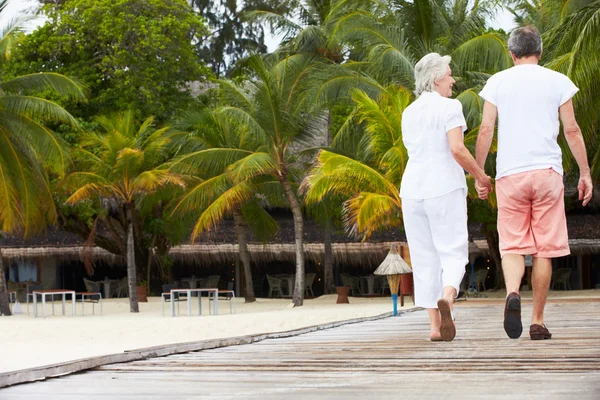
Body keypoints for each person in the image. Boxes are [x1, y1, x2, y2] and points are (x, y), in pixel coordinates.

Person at [475, 26, 593, 340]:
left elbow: (486, 130)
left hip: (510, 174)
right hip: (547, 173)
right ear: (539, 52)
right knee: (544, 249)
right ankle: (538, 321)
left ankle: (513, 292)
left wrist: (479, 173)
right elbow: (572, 131)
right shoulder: (557, 80)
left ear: (511, 53)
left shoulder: (497, 82)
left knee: (512, 245)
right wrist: (584, 172)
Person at [401, 53, 492, 342]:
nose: (453, 80)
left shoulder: (409, 112)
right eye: (449, 75)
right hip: (444, 188)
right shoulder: (450, 107)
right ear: (437, 78)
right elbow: (456, 149)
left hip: (412, 191)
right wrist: (480, 175)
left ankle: (434, 328)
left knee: (424, 257)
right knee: (452, 251)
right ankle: (449, 299)